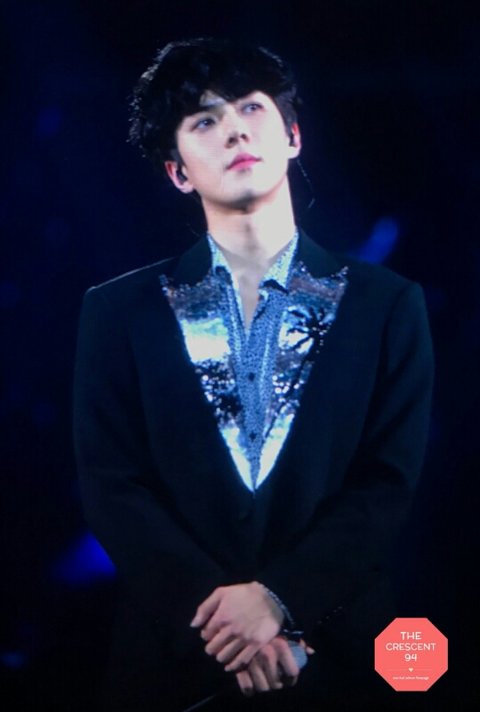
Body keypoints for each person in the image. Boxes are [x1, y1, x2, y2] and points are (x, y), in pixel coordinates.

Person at [73, 38, 434, 711]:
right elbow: (112, 485)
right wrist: (229, 628)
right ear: (178, 172)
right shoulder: (118, 312)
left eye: (250, 107)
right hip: (176, 664)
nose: (234, 129)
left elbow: (388, 482)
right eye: (204, 120)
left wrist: (281, 600)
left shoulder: (387, 305)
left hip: (349, 655)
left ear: (293, 136)